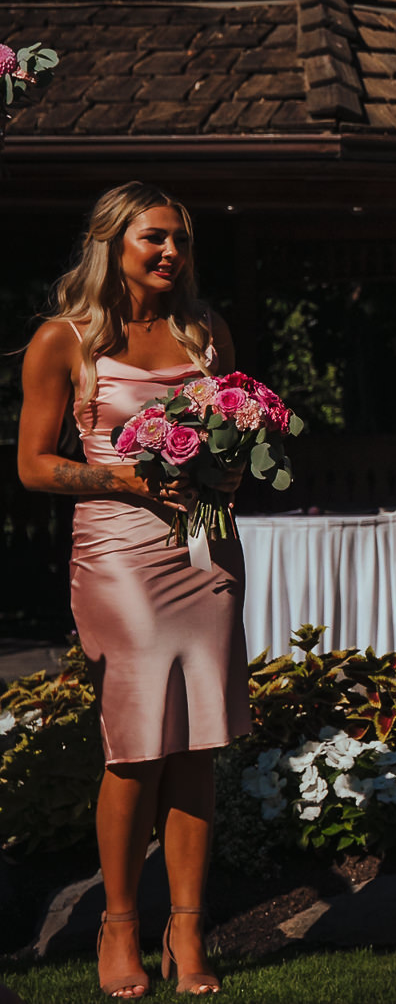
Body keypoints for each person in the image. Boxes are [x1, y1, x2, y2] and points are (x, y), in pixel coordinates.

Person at [16, 182, 249, 997]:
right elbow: (34, 465)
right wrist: (121, 479)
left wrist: (229, 464)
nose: (171, 253)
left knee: (197, 750)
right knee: (136, 748)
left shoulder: (205, 331)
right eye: (154, 238)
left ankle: (188, 931)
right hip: (119, 559)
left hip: (206, 552)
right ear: (111, 242)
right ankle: (119, 927)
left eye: (181, 240)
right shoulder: (65, 339)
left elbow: (237, 433)